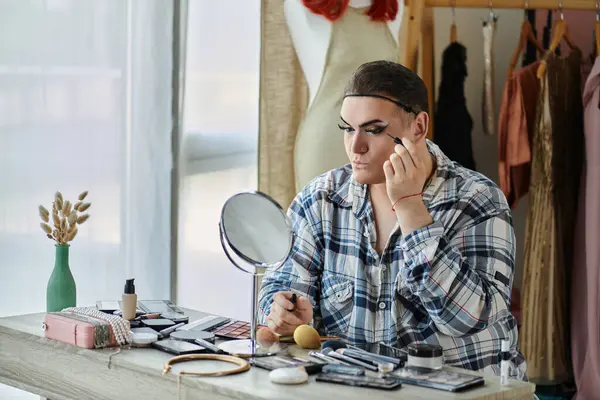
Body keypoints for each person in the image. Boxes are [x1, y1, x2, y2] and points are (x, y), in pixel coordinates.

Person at [257, 60, 527, 380]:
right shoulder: (319, 200)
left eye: (374, 130)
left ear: (418, 127)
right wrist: (286, 315)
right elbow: (277, 289)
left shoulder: (478, 201)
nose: (355, 146)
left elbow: (466, 319)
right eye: (347, 128)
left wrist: (412, 209)